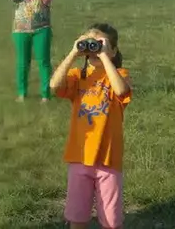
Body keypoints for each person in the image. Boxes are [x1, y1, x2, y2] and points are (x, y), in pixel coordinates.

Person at [49, 23, 131, 229]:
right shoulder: (78, 76)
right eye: (90, 43)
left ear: (113, 50)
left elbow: (121, 91)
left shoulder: (119, 74)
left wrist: (104, 56)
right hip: (80, 156)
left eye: (100, 44)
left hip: (108, 158)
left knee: (111, 221)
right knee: (77, 217)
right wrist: (73, 53)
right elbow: (54, 86)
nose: (94, 48)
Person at [7, 0, 53, 103]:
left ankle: (46, 95)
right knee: (22, 62)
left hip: (42, 29)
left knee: (43, 62)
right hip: (21, 30)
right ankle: (22, 93)